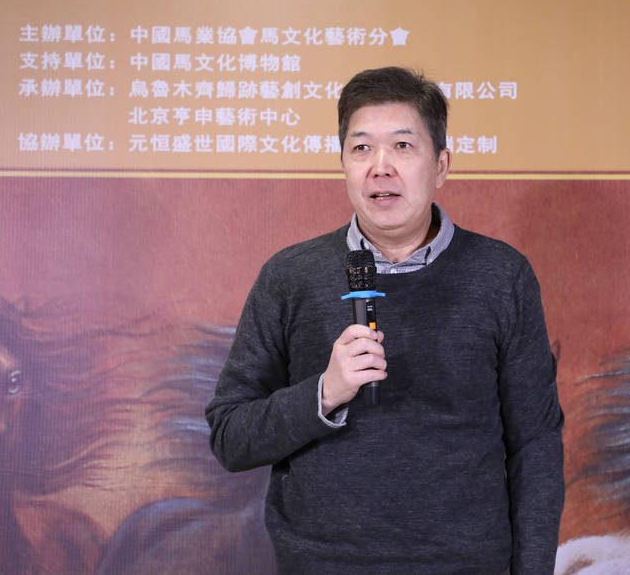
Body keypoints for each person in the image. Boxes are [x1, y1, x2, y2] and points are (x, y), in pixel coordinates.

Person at [206, 66, 564, 574]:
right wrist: (324, 393)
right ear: (343, 164)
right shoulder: (290, 276)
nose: (380, 167)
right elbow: (230, 437)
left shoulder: (502, 275)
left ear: (441, 165)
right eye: (361, 148)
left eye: (402, 146)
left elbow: (536, 444)